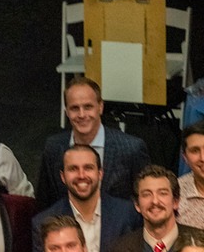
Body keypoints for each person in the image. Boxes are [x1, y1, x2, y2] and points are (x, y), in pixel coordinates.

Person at [38, 76, 151, 205]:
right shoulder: (54, 147)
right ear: (67, 112)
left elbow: (145, 200)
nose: (81, 115)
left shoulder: (131, 149)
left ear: (100, 107)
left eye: (88, 107)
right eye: (75, 108)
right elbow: (45, 203)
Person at [30, 144, 139, 252]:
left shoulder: (127, 213)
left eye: (88, 168)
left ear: (100, 174)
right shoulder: (42, 222)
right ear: (63, 177)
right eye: (73, 169)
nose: (81, 175)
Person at [106, 166, 185, 252]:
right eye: (146, 194)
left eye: (162, 193)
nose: (155, 201)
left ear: (176, 202)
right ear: (137, 205)